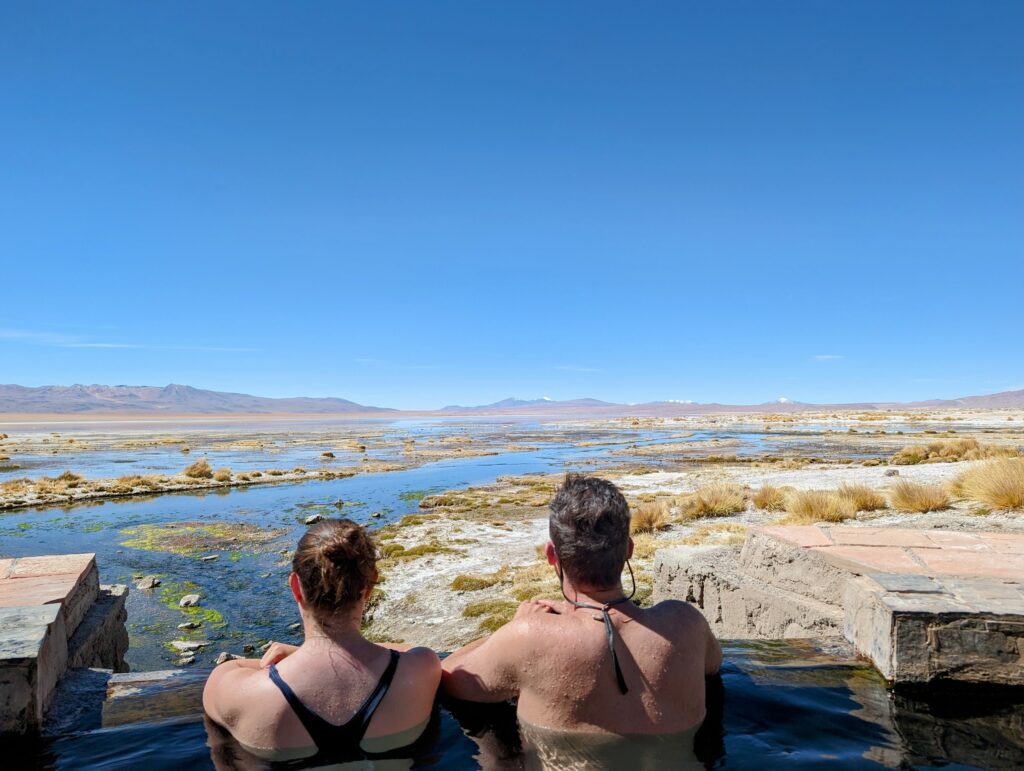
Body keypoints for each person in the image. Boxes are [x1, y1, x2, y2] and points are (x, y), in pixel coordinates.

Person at [442, 474, 721, 766]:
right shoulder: (688, 623)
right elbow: (713, 665)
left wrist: (514, 627)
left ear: (552, 555)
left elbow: (449, 675)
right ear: (628, 548)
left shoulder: (528, 637)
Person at [203, 518, 441, 765]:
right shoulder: (421, 668)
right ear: (369, 587)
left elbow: (228, 670)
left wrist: (297, 656)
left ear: (296, 586)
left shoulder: (237, 690)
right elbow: (411, 651)